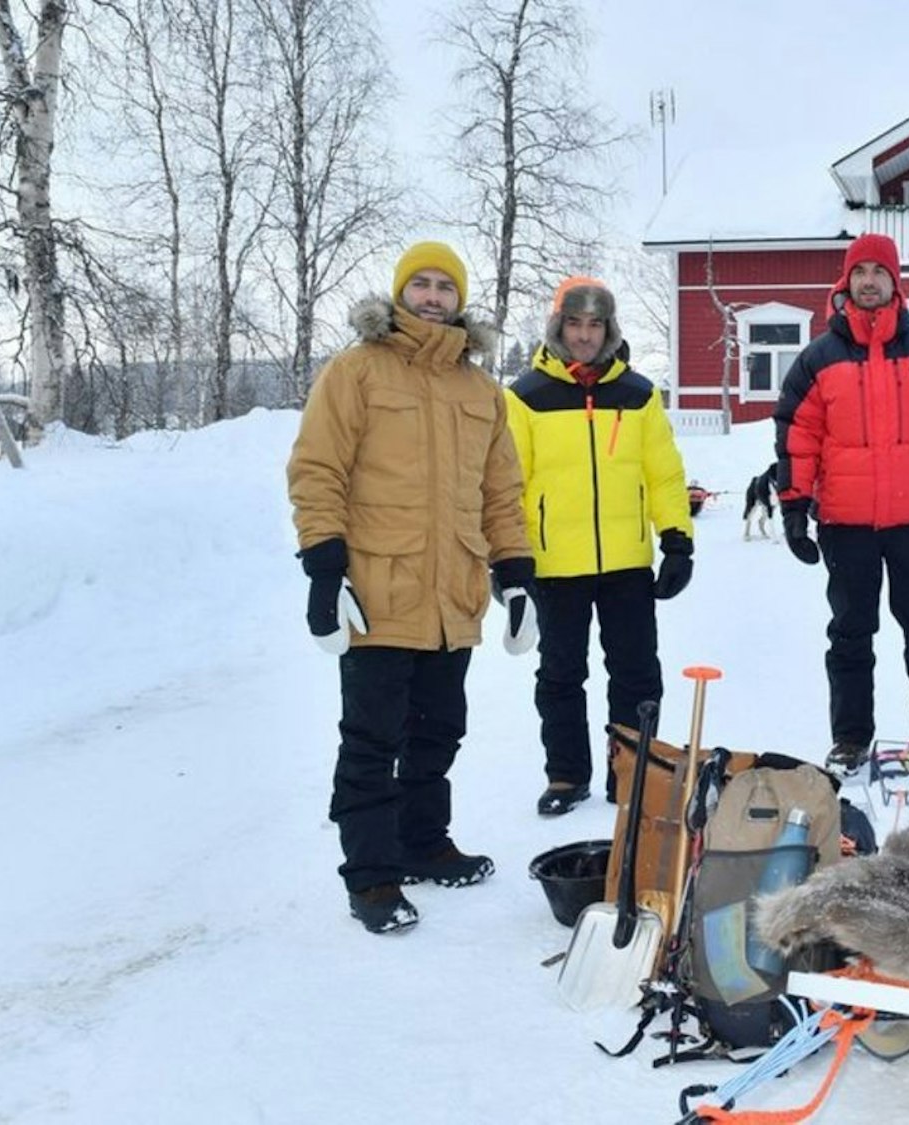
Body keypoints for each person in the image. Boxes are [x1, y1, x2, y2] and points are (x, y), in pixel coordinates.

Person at [287, 240, 536, 935]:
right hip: (377, 589)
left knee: (438, 731)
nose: (432, 297)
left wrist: (516, 576)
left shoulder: (481, 389)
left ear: (461, 300)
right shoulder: (357, 372)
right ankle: (370, 877)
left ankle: (424, 842)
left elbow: (501, 493)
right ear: (401, 294)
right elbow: (317, 470)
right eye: (420, 285)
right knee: (371, 739)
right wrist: (323, 567)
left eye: (444, 287)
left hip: (452, 594)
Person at [773, 232, 909, 774]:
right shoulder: (819, 359)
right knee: (849, 635)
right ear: (846, 283)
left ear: (895, 282)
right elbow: (798, 436)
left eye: (879, 272)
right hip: (846, 525)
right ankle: (850, 739)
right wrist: (794, 507)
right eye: (859, 272)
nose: (869, 281)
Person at [506, 276, 694, 816]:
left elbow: (664, 474)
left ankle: (633, 773)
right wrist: (510, 560)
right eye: (574, 323)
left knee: (637, 673)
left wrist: (677, 540)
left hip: (626, 562)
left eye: (595, 325)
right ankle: (566, 775)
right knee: (561, 674)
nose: (585, 336)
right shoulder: (525, 397)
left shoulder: (636, 395)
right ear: (556, 326)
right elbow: (508, 485)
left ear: (608, 329)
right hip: (554, 563)